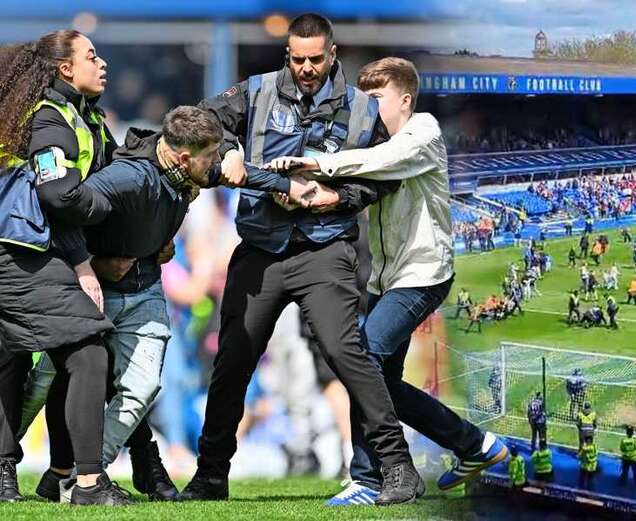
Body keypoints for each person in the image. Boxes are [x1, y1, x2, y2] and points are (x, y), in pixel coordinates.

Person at [179, 14, 421, 505]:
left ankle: (397, 467)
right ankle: (210, 476)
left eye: (315, 59)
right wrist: (227, 149)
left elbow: (389, 172)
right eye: (297, 58)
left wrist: (338, 198)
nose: (306, 68)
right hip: (261, 249)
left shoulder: (361, 109)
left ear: (332, 54)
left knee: (348, 355)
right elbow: (202, 119)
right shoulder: (256, 90)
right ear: (286, 54)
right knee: (232, 362)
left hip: (324, 248)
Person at [272, 56, 509, 503]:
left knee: (361, 360)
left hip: (422, 273)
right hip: (385, 279)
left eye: (375, 98)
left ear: (404, 99)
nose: (367, 107)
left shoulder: (423, 132)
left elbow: (381, 161)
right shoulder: (373, 139)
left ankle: (367, 477)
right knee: (380, 382)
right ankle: (474, 445)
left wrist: (318, 164)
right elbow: (355, 186)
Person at [17, 107, 240, 503]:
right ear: (185, 158)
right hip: (97, 291)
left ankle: (86, 476)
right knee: (41, 384)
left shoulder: (182, 171)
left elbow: (232, 171)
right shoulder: (128, 177)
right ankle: (8, 460)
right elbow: (64, 204)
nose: (217, 164)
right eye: (212, 156)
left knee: (144, 387)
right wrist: (89, 260)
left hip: (145, 290)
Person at [0, 30, 128, 505]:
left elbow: (117, 167)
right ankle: (86, 484)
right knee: (86, 351)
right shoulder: (51, 119)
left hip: (25, 247)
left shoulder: (80, 115)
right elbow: (59, 194)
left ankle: (42, 475)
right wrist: (93, 233)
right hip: (15, 250)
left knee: (11, 358)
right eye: (91, 55)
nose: (103, 63)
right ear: (65, 69)